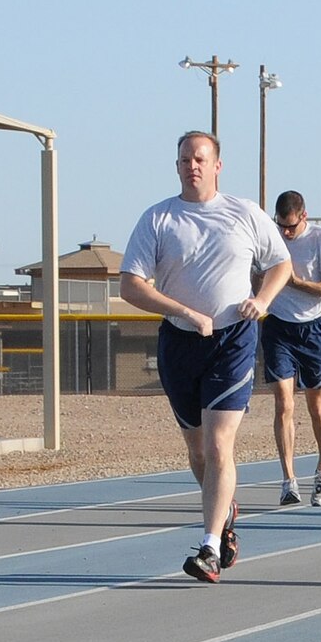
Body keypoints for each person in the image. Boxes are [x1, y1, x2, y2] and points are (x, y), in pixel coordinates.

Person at [120, 132, 291, 582]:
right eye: (184, 160)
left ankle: (210, 546)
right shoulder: (158, 218)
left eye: (200, 159)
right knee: (197, 449)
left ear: (217, 165)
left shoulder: (244, 213)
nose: (191, 166)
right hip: (179, 341)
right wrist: (184, 311)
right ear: (176, 166)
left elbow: (281, 264)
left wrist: (264, 299)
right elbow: (130, 284)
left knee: (219, 445)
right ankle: (224, 508)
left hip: (233, 339)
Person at [261, 190, 321, 507]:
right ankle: (288, 480)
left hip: (315, 328)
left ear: (304, 217)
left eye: (290, 227)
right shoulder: (271, 239)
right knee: (283, 404)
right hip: (278, 326)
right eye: (280, 225)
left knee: (316, 404)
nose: (285, 232)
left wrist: (297, 282)